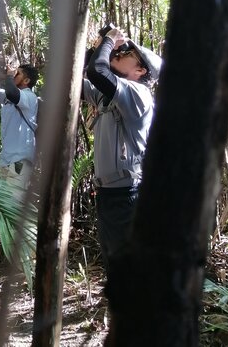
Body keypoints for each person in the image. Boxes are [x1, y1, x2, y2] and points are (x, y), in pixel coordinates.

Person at [83, 26, 161, 274]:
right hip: (110, 195)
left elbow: (97, 71)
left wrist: (108, 41)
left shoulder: (138, 94)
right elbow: (80, 72)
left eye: (129, 52)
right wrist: (102, 46)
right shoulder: (110, 97)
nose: (122, 51)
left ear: (140, 71)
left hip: (129, 196)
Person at [0, 63, 39, 194]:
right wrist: (2, 75)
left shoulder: (29, 97)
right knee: (5, 209)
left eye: (18, 73)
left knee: (13, 207)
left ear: (26, 81)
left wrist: (9, 76)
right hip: (6, 161)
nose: (14, 75)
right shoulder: (8, 96)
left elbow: (12, 92)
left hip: (19, 161)